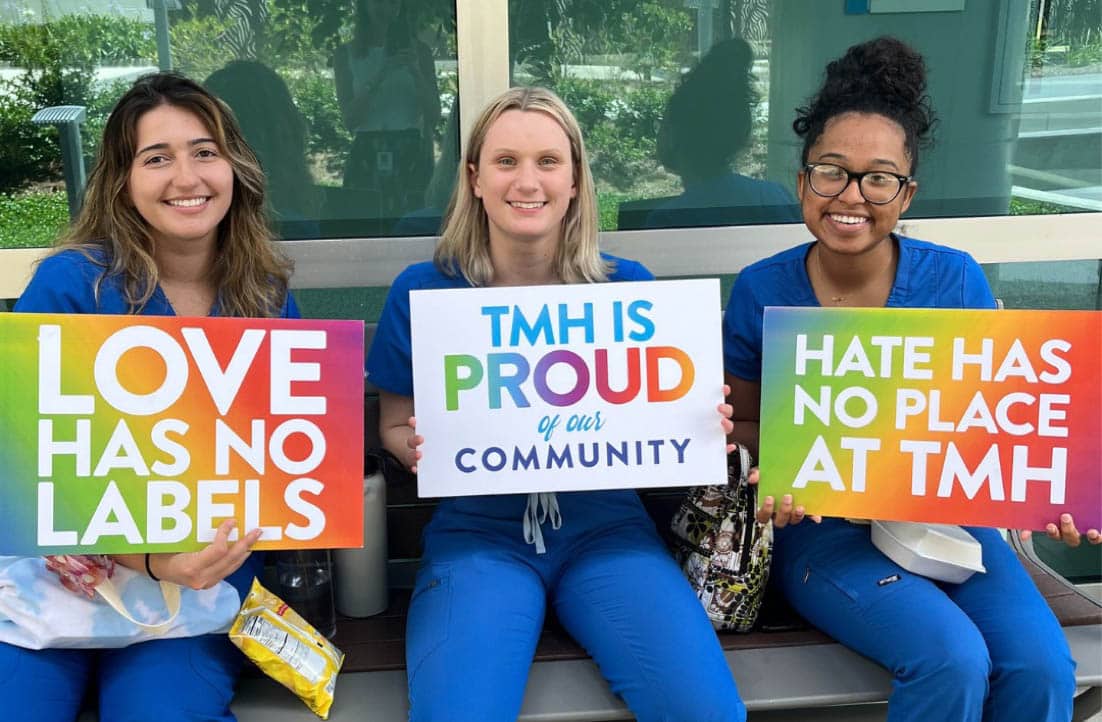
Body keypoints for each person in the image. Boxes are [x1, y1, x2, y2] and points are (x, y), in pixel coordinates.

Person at [723, 37, 1096, 722]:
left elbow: (999, 429)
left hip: (948, 521)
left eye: (879, 178)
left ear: (907, 193)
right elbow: (741, 425)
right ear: (803, 179)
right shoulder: (761, 290)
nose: (852, 196)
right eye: (832, 171)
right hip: (822, 530)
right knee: (950, 659)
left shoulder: (953, 279)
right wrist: (768, 462)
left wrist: (1053, 490)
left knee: (1041, 668)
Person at [367, 86, 745, 722]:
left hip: (607, 532)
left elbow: (669, 419)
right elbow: (392, 427)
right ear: (475, 180)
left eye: (548, 161)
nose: (528, 181)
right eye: (506, 161)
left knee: (706, 712)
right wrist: (415, 444)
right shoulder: (425, 291)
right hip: (478, 539)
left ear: (574, 181)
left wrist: (701, 423)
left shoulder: (628, 290)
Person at [9, 72, 298, 722]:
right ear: (123, 179)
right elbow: (20, 470)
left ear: (235, 168)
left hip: (205, 592)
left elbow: (288, 475)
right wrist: (146, 557)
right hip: (55, 586)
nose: (186, 177)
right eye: (157, 157)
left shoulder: (268, 302)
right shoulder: (70, 286)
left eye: (205, 151)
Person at [643, 37, 799, 230]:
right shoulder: (774, 198)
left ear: (674, 135)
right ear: (741, 135)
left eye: (662, 124)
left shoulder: (665, 221)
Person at [334, 0, 440, 205]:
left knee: (410, 224)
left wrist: (416, 72)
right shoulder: (346, 54)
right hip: (366, 150)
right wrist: (381, 73)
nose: (387, 8)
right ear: (365, 6)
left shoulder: (420, 52)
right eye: (379, 2)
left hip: (410, 150)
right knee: (364, 221)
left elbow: (433, 115)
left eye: (393, 2)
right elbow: (350, 120)